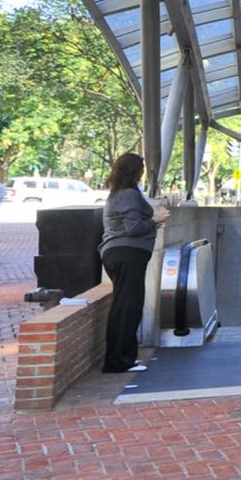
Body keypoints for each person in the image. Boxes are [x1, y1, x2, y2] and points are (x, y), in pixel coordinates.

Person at [99, 152, 166, 374]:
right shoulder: (127, 194)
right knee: (127, 307)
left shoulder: (120, 193)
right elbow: (134, 228)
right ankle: (118, 361)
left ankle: (126, 357)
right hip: (126, 254)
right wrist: (156, 219)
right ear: (135, 171)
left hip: (123, 254)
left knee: (128, 306)